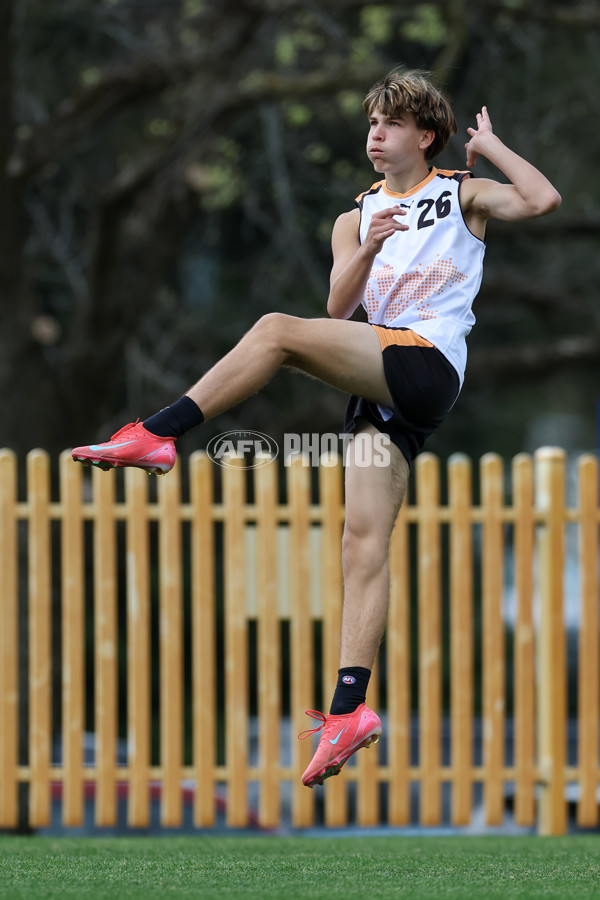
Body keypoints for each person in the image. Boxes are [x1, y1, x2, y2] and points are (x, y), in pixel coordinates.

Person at [72, 69, 561, 788]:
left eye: (389, 124)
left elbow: (544, 198)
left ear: (425, 136)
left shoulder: (461, 190)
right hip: (380, 381)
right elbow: (338, 308)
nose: (374, 135)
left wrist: (494, 145)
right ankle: (348, 712)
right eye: (370, 124)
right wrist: (370, 246)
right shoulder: (353, 215)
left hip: (424, 364)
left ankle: (161, 432)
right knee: (361, 544)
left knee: (273, 331)